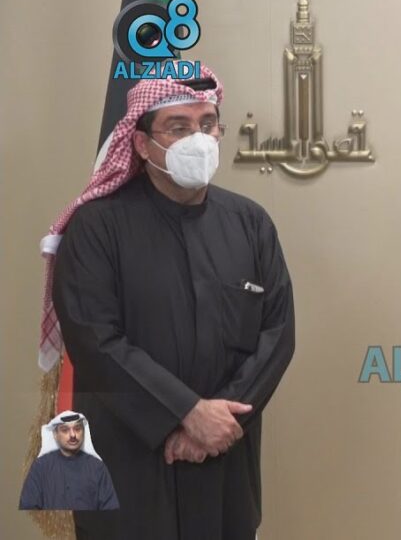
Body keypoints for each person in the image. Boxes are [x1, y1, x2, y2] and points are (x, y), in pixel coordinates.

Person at [41, 65, 296, 539]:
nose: (198, 139)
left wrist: (219, 423)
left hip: (225, 461)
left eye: (207, 124)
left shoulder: (250, 223)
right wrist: (185, 413)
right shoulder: (97, 227)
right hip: (130, 463)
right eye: (178, 127)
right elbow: (95, 340)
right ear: (141, 143)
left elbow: (277, 335)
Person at [19, 412, 119, 511]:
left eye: (77, 429)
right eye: (65, 430)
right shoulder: (41, 466)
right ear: (55, 434)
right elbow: (28, 510)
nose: (73, 435)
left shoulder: (97, 467)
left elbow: (110, 509)